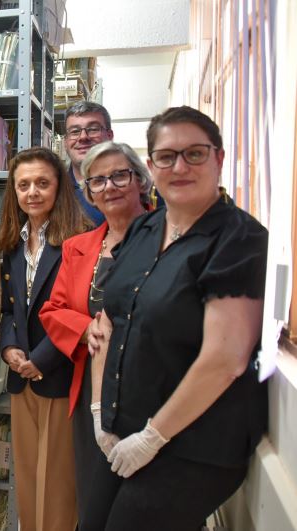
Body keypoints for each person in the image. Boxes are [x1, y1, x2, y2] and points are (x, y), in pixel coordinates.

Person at [88, 106, 268, 530]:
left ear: (219, 159)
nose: (180, 166)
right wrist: (99, 413)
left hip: (194, 446)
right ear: (151, 167)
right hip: (122, 430)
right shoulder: (143, 229)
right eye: (167, 156)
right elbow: (108, 322)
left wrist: (152, 438)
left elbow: (225, 360)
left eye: (195, 154)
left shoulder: (239, 239)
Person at [38, 141, 152, 528]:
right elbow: (52, 310)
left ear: (141, 180)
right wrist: (85, 329)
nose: (109, 187)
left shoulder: (170, 238)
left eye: (120, 175)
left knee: (142, 507)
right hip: (92, 390)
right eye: (97, 181)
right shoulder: (78, 247)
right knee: (95, 504)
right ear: (87, 192)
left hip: (151, 391)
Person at [0, 146, 91, 531]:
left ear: (59, 187)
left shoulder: (80, 239)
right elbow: (7, 308)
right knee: (30, 477)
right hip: (22, 377)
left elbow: (81, 309)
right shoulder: (12, 242)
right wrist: (9, 348)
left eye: (42, 183)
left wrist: (41, 358)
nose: (32, 192)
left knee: (58, 484)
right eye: (23, 185)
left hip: (59, 374)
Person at [63, 101, 114, 225]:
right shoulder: (54, 189)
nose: (83, 137)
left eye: (93, 129)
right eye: (75, 131)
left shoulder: (132, 186)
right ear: (65, 141)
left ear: (109, 135)